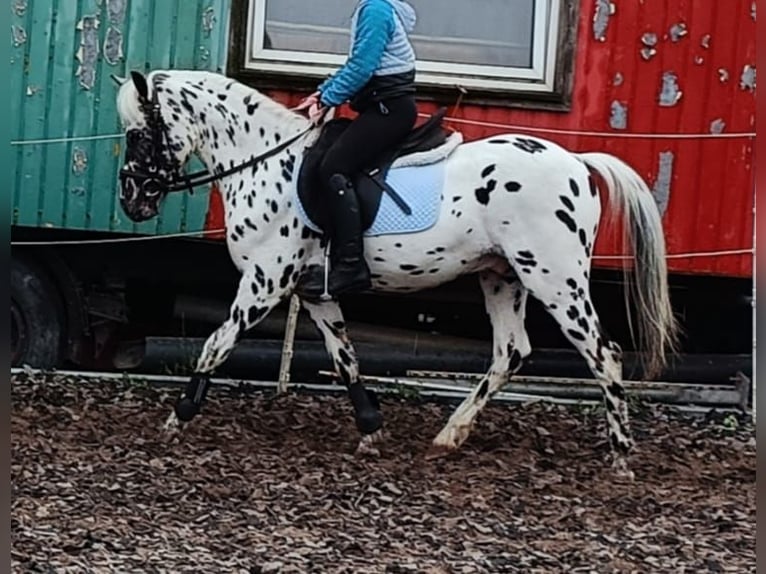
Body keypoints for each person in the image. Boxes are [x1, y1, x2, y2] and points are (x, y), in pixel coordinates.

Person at [295, 0, 419, 299]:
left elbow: (363, 67)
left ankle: (351, 266)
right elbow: (356, 65)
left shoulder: (375, 10)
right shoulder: (378, 7)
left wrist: (327, 99)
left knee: (333, 167)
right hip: (383, 107)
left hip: (387, 110)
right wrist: (323, 92)